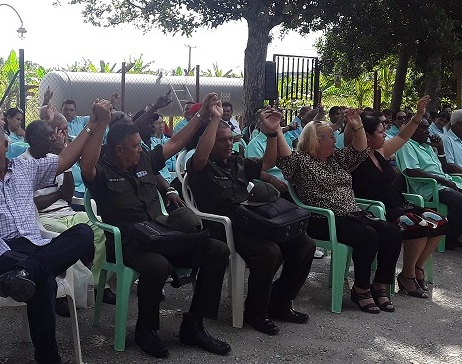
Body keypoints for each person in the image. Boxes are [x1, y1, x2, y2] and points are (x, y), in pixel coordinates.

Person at [0, 99, 111, 364]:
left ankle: (27, 272)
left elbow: (66, 159)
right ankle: (49, 359)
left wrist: (93, 124)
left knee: (82, 232)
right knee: (44, 280)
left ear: (6, 146)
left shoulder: (24, 168)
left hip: (32, 249)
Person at [83, 93, 232, 359]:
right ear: (118, 150)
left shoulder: (144, 160)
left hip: (160, 233)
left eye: (141, 144)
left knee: (217, 250)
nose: (141, 148)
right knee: (157, 265)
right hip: (127, 242)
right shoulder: (102, 170)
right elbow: (86, 167)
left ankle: (194, 325)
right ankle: (146, 331)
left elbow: (176, 141)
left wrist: (204, 115)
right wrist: (101, 123)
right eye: (135, 145)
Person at [187, 106, 314, 335]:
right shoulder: (201, 167)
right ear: (208, 142)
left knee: (304, 244)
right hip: (225, 228)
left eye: (230, 139)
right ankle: (256, 312)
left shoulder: (236, 161)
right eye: (222, 140)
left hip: (252, 221)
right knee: (270, 252)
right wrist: (215, 119)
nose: (228, 143)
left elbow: (267, 162)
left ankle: (279, 302)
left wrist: (273, 133)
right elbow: (201, 155)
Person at [277, 109, 403, 314]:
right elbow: (283, 157)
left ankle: (380, 285)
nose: (335, 140)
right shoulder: (300, 161)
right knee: (368, 236)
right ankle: (361, 289)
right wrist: (276, 131)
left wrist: (357, 125)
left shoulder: (336, 159)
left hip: (351, 215)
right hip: (323, 219)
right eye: (331, 137)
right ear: (316, 140)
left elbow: (360, 150)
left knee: (392, 232)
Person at [351, 97, 447, 298]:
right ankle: (409, 276)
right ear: (366, 136)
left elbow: (403, 137)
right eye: (380, 131)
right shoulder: (356, 158)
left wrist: (419, 115)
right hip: (378, 209)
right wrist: (355, 124)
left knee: (440, 221)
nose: (385, 134)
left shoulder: (381, 152)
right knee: (418, 225)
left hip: (399, 204)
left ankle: (416, 268)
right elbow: (354, 141)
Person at [20, 119, 110, 312]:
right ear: (33, 139)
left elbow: (67, 195)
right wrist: (58, 194)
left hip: (66, 212)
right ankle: (65, 291)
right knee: (68, 240)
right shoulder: (22, 164)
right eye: (48, 135)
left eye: (54, 134)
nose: (54, 138)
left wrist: (64, 162)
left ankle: (95, 284)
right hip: (42, 219)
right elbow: (32, 203)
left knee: (102, 226)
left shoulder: (55, 159)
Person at [398, 118, 462, 250]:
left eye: (427, 128)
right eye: (423, 128)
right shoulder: (407, 145)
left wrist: (440, 149)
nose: (427, 132)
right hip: (429, 188)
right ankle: (446, 239)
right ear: (412, 129)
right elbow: (412, 170)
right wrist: (442, 180)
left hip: (447, 183)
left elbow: (444, 170)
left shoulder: (427, 147)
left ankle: (458, 233)